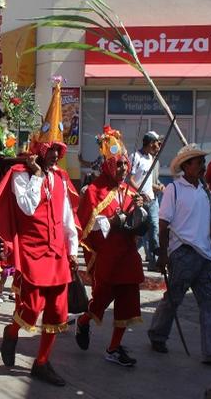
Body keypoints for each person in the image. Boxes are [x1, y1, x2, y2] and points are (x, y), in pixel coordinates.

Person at [0, 80, 79, 386]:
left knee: (57, 312)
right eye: (51, 149)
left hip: (57, 253)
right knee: (32, 307)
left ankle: (42, 362)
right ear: (39, 149)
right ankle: (11, 332)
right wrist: (38, 177)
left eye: (58, 149)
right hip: (31, 252)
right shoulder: (21, 176)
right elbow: (27, 208)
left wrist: (73, 249)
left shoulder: (61, 178)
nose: (55, 154)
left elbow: (67, 217)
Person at [76, 126, 146, 366]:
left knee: (128, 302)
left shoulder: (130, 191)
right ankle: (83, 322)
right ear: (107, 165)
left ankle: (114, 348)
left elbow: (138, 223)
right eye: (118, 164)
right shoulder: (94, 191)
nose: (123, 169)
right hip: (108, 256)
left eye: (125, 164)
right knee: (101, 301)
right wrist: (113, 222)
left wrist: (139, 208)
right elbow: (86, 224)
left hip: (128, 255)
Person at [147, 144, 211, 364]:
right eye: (198, 162)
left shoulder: (205, 192)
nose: (202, 166)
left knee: (210, 302)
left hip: (205, 255)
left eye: (203, 162)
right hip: (182, 252)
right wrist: (164, 254)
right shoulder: (173, 190)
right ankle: (157, 335)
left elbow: (210, 223)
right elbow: (164, 223)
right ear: (186, 166)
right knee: (174, 299)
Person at [130, 131, 164, 270]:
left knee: (154, 229)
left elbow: (149, 180)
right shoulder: (135, 157)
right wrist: (141, 193)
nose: (158, 145)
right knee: (138, 232)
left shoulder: (152, 158)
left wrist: (158, 187)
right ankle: (129, 255)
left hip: (152, 200)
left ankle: (154, 261)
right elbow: (130, 180)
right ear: (150, 143)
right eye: (156, 143)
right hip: (138, 201)